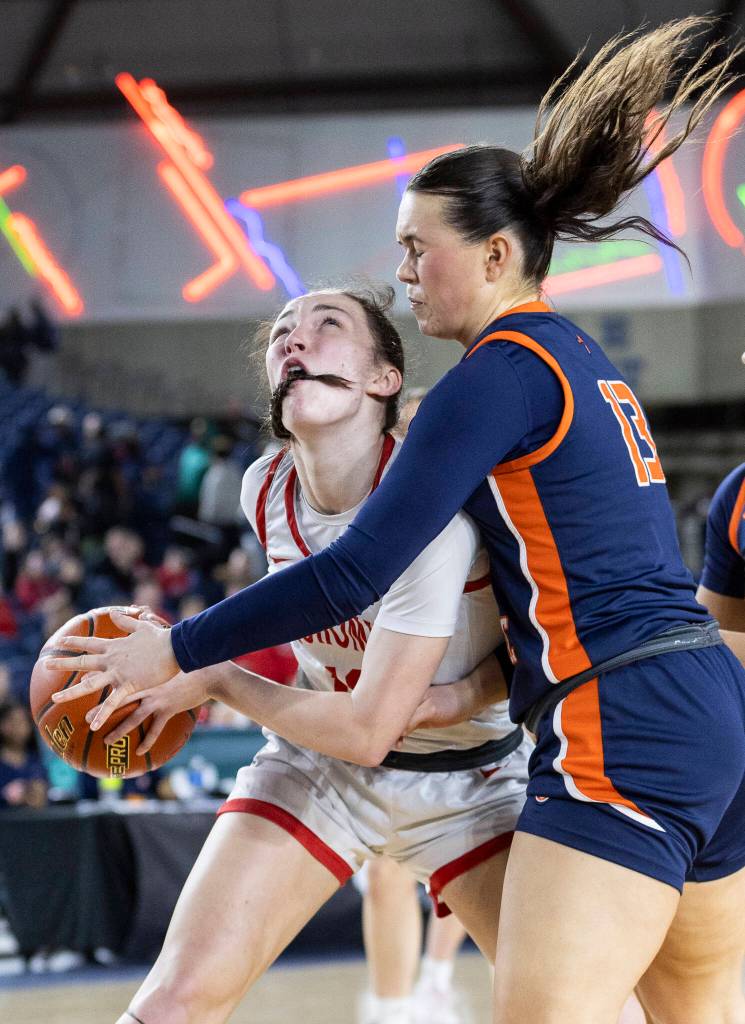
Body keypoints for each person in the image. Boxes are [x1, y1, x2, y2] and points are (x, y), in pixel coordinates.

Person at [51, 18, 745, 1023]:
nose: (407, 271)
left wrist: (181, 649)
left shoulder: (490, 376)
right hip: (702, 704)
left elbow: (356, 571)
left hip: (617, 719)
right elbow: (571, 584)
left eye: (420, 250)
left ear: (497, 253)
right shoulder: (580, 363)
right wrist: (466, 682)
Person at [90, 286, 531, 1024]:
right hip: (320, 769)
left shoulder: (437, 505)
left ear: (382, 379)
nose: (294, 341)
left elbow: (372, 723)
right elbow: (323, 680)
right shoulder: (265, 488)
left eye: (326, 327)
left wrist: (213, 677)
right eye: (281, 336)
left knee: (582, 1006)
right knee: (169, 1005)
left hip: (470, 781)